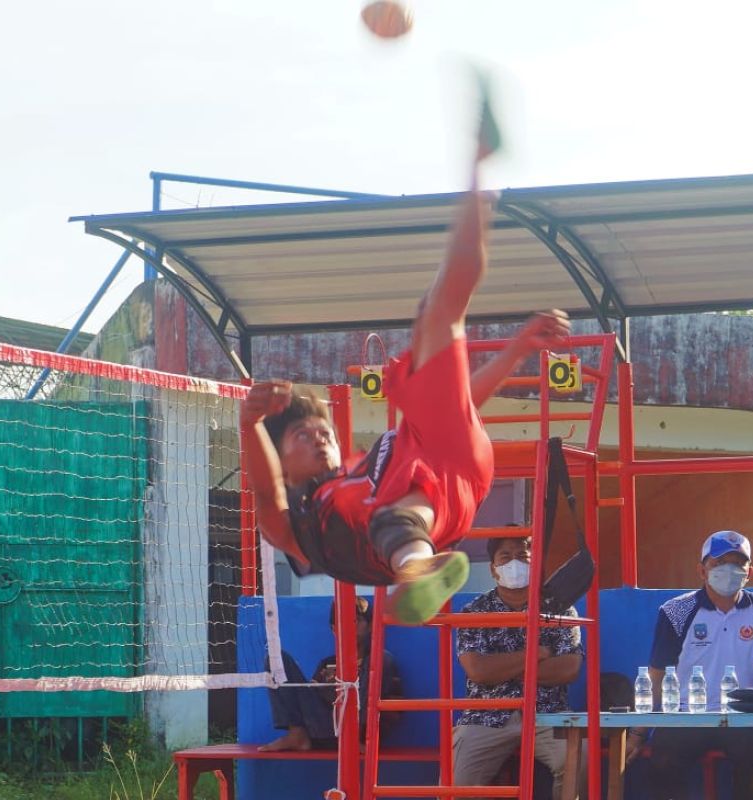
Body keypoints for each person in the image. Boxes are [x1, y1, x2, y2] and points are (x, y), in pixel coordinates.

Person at [240, 141, 570, 624]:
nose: (321, 435)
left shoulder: (372, 464)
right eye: (301, 435)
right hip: (415, 521)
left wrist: (518, 347)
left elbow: (460, 408)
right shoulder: (297, 527)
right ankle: (415, 568)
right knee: (387, 513)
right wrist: (249, 423)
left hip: (453, 466)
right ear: (280, 459)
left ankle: (478, 180)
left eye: (323, 430)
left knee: (439, 310)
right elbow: (266, 493)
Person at [626, 530, 753, 800]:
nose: (729, 570)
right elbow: (655, 677)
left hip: (742, 719)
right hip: (686, 717)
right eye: (719, 563)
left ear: (750, 572)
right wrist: (637, 734)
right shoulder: (676, 610)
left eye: (738, 564)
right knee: (663, 761)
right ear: (702, 571)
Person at [453, 536, 584, 798]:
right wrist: (536, 655)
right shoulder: (474, 612)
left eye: (523, 556)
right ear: (492, 568)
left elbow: (569, 668)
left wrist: (503, 668)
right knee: (457, 781)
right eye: (505, 557)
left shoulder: (560, 609)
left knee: (579, 760)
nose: (514, 563)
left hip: (548, 712)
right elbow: (478, 671)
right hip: (486, 716)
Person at [260, 596, 404, 752]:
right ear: (334, 629)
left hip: (364, 735)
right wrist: (328, 688)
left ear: (369, 626)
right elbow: (311, 703)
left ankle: (354, 738)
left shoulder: (380, 660)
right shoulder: (327, 663)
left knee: (380, 658)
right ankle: (297, 735)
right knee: (275, 659)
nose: (350, 626)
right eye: (342, 622)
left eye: (356, 621)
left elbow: (388, 708)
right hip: (327, 732)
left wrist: (341, 689)